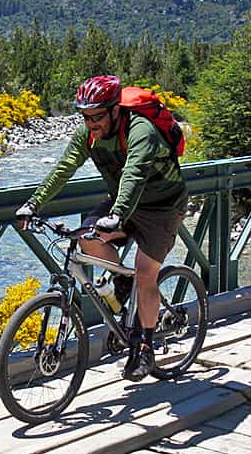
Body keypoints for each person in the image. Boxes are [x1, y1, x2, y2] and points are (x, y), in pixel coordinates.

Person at [15, 75, 188, 381]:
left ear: (114, 110)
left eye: (96, 116)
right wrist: (33, 203)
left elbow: (134, 173)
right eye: (85, 116)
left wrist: (118, 215)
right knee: (87, 237)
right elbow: (64, 167)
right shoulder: (89, 134)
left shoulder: (140, 130)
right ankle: (121, 285)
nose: (90, 122)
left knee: (146, 275)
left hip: (162, 207)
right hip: (122, 201)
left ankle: (145, 346)